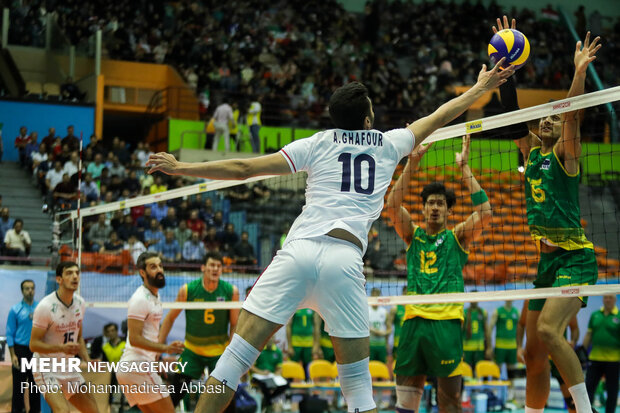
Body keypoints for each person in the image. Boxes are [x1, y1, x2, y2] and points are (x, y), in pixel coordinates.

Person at [147, 63, 512, 412]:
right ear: (368, 119)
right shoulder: (388, 143)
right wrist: (480, 88)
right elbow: (439, 116)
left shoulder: (317, 142)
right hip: (345, 261)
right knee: (357, 388)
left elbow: (245, 168)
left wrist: (182, 167)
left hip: (299, 251)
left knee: (233, 361)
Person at [493, 16, 601, 413]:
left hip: (576, 258)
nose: (550, 117)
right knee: (532, 355)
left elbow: (572, 116)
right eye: (546, 116)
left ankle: (584, 409)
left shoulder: (565, 156)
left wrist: (579, 73)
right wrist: (507, 70)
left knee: (549, 332)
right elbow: (510, 112)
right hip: (547, 262)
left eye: (556, 116)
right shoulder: (532, 154)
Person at [386, 134, 492, 413]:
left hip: (446, 323)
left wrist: (464, 169)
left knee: (450, 402)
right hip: (413, 321)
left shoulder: (458, 237)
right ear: (423, 208)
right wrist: (413, 162)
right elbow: (392, 207)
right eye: (430, 202)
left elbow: (485, 213)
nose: (435, 207)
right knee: (405, 404)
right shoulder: (413, 236)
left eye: (440, 203)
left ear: (448, 209)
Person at [159, 251, 240, 406]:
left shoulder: (231, 291)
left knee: (227, 399)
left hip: (219, 351)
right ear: (203, 268)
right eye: (211, 265)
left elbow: (234, 324)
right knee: (175, 393)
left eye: (218, 266)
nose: (215, 269)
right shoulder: (188, 290)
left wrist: (231, 350)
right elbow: (169, 318)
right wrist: (159, 347)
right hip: (192, 351)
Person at [116, 252, 184, 413]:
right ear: (142, 272)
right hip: (136, 366)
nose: (159, 270)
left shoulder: (155, 295)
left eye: (160, 266)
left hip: (134, 368)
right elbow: (135, 339)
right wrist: (165, 349)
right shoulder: (140, 299)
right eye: (153, 267)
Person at [29, 262, 98, 413]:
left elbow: (78, 337)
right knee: (62, 410)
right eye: (69, 273)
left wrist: (88, 360)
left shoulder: (80, 303)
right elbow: (33, 345)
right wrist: (61, 348)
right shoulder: (45, 307)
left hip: (67, 366)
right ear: (59, 279)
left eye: (77, 273)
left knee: (92, 410)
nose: (74, 276)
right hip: (45, 366)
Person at [517, 299, 580, 413]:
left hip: (558, 357)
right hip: (538, 358)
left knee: (572, 403)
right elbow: (521, 324)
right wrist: (519, 347)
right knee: (537, 401)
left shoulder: (562, 299)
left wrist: (573, 341)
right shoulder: (530, 300)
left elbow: (574, 328)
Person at [7, 280, 40, 413]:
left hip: (36, 351)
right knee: (19, 385)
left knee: (35, 385)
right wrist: (13, 355)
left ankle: (35, 411)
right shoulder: (15, 310)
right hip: (21, 350)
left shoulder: (40, 308)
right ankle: (17, 410)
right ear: (22, 291)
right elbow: (9, 333)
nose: (30, 291)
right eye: (27, 289)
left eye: (32, 288)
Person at [583, 295, 620, 413]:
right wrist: (582, 352)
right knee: (588, 389)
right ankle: (587, 411)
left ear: (615, 300)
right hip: (595, 358)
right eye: (605, 298)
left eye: (610, 298)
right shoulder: (595, 315)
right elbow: (589, 335)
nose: (607, 300)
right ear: (603, 299)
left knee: (612, 391)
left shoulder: (618, 316)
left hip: (613, 360)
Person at [487, 301, 520, 378]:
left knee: (512, 373)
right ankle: (495, 389)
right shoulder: (498, 311)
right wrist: (489, 346)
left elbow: (520, 329)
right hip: (500, 346)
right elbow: (490, 328)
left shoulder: (516, 312)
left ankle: (511, 389)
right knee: (496, 371)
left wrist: (519, 346)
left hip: (512, 346)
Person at [463, 301, 489, 368]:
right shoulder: (464, 313)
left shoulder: (483, 312)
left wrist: (489, 347)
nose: (474, 301)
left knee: (479, 369)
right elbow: (460, 331)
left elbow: (486, 331)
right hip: (467, 347)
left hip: (479, 347)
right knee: (467, 370)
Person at [368, 288, 391, 363]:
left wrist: (386, 343)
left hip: (382, 345)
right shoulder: (366, 311)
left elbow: (389, 329)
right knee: (371, 368)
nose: (375, 296)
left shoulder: (384, 312)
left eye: (377, 295)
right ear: (371, 296)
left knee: (382, 368)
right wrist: (371, 330)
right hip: (370, 345)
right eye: (373, 295)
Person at [389, 286, 407, 361]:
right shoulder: (395, 308)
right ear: (403, 293)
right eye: (405, 293)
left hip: (410, 341)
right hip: (398, 342)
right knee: (396, 364)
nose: (407, 295)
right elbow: (389, 325)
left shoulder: (413, 307)